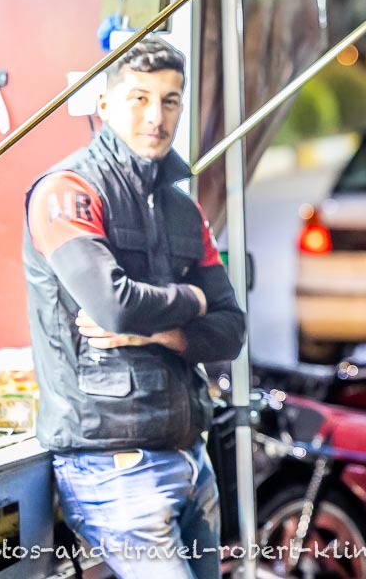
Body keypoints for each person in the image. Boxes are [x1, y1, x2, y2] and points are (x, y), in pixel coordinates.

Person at [22, 38, 245, 578]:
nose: (156, 115)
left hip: (193, 458)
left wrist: (160, 333)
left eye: (170, 100)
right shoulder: (67, 191)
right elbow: (114, 305)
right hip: (113, 465)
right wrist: (190, 300)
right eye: (139, 98)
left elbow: (231, 329)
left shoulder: (182, 207)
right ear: (104, 103)